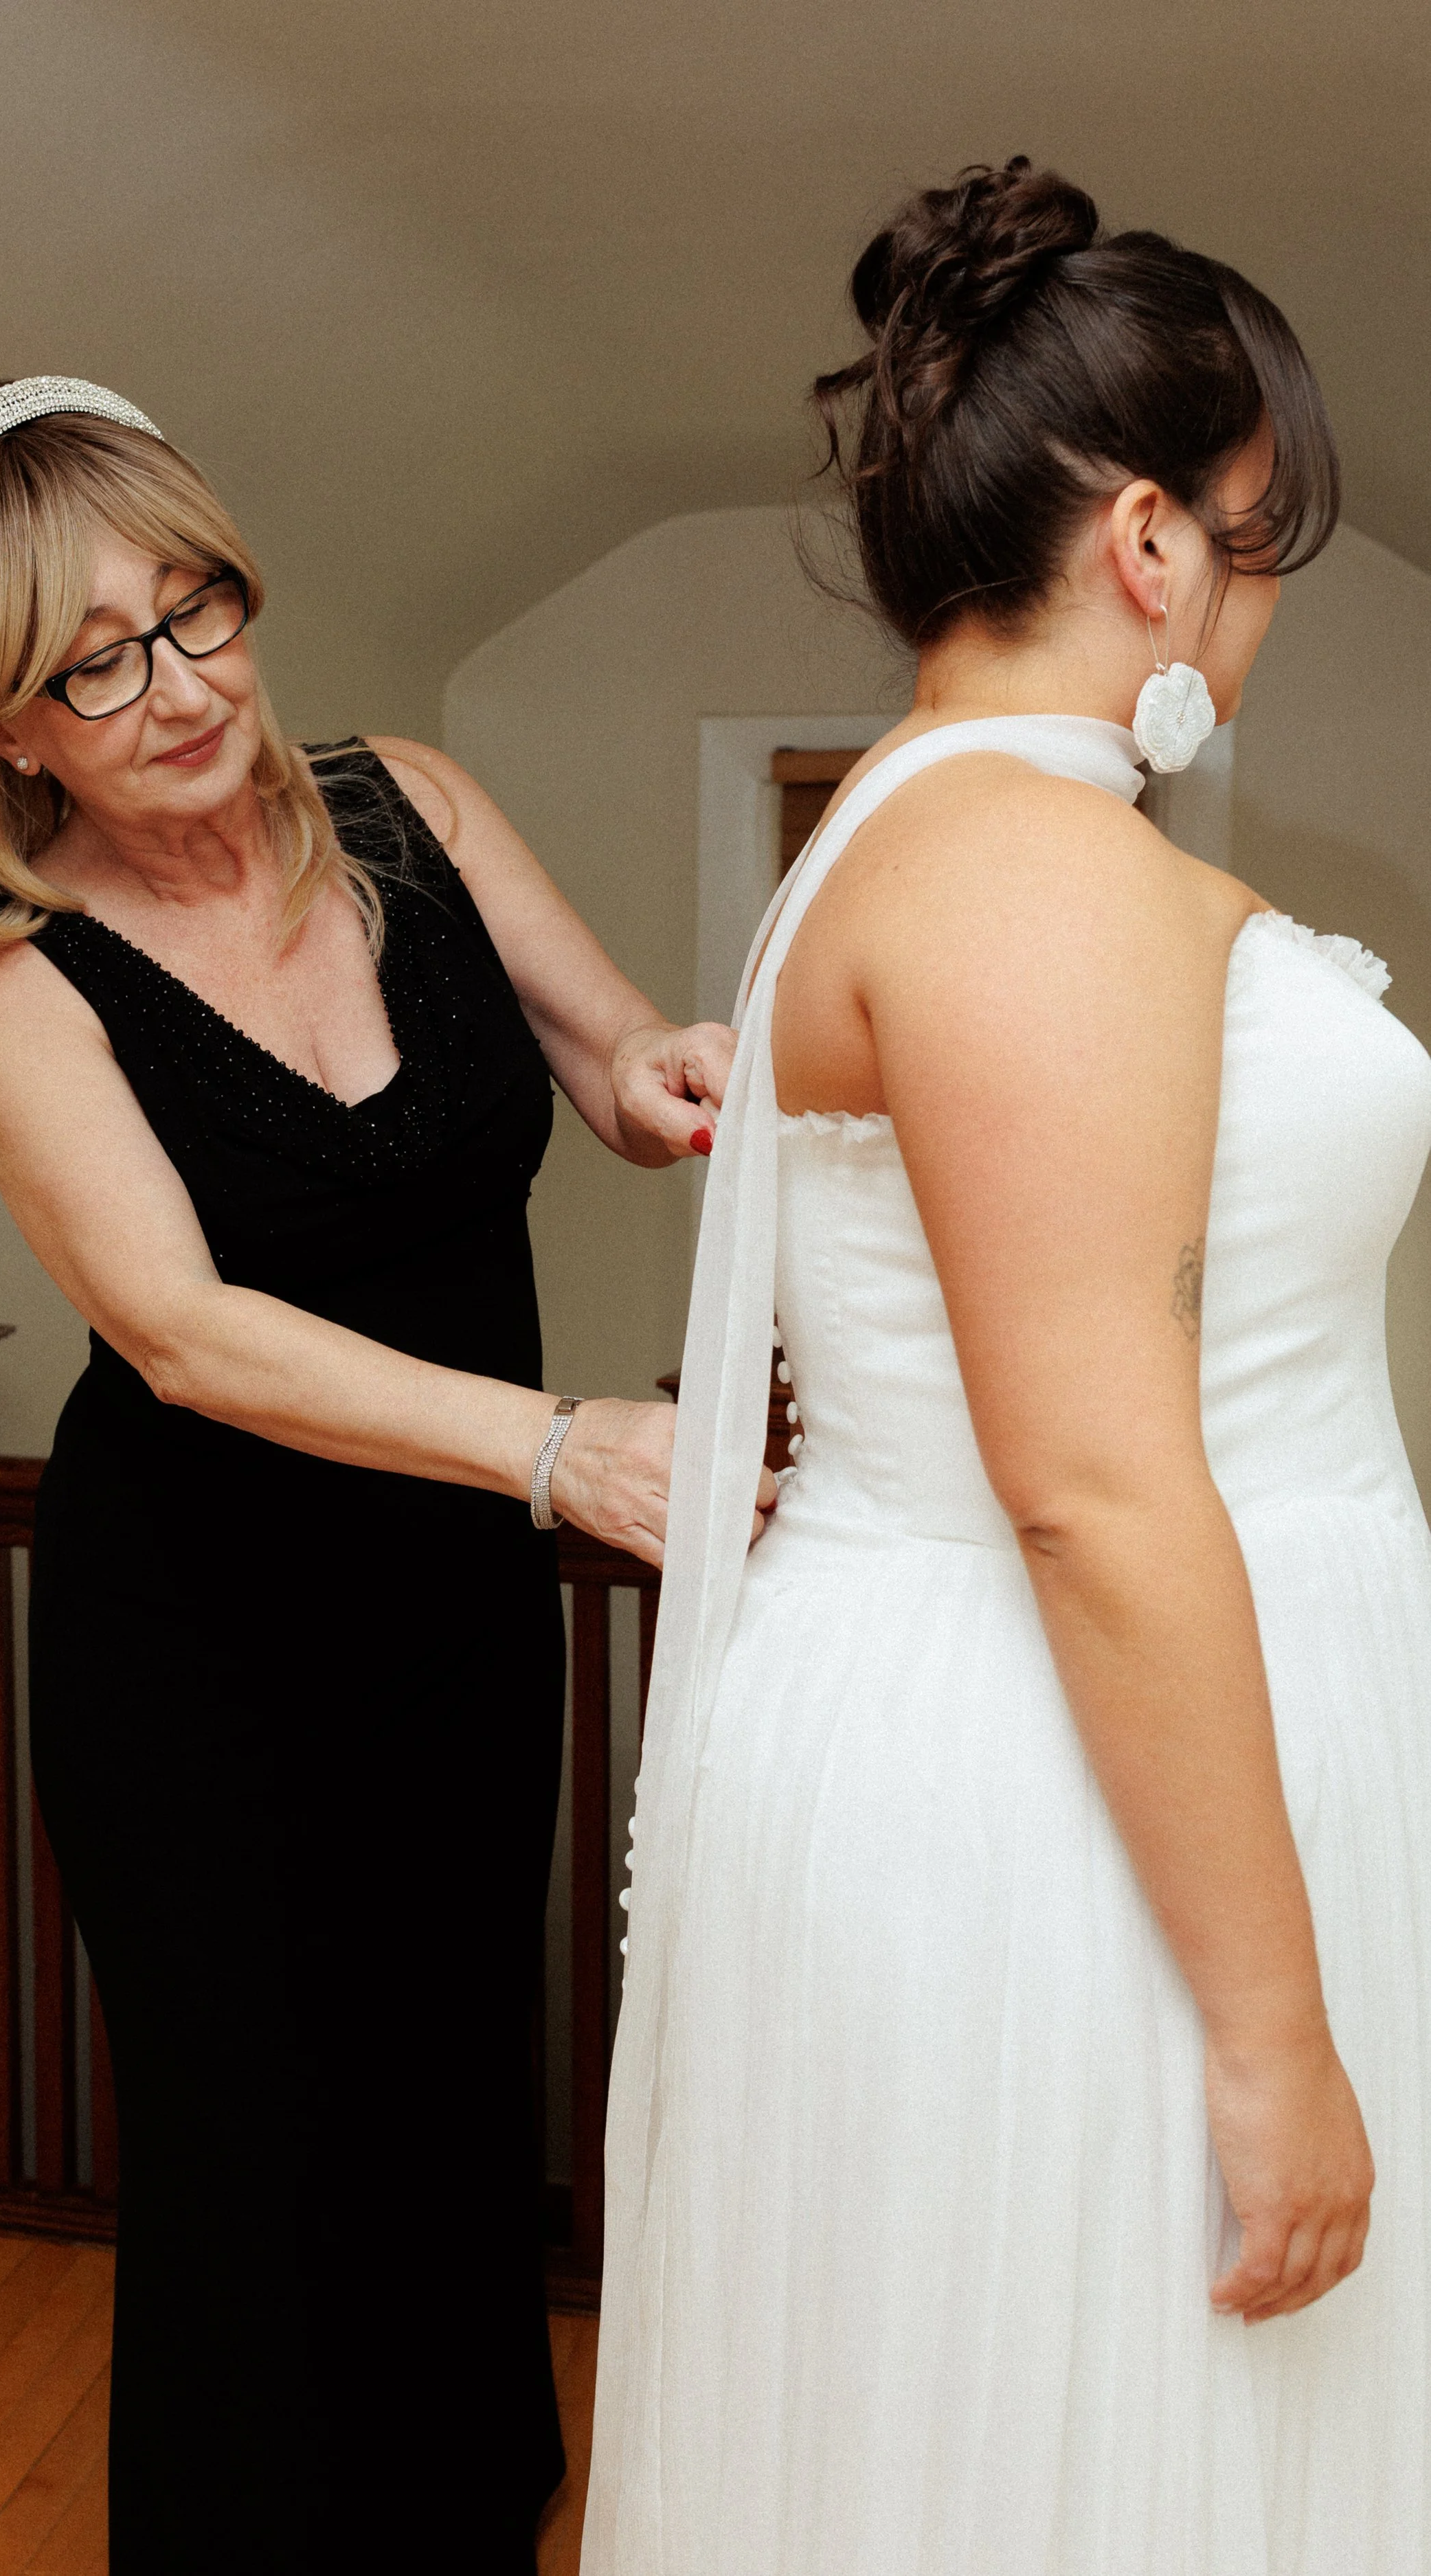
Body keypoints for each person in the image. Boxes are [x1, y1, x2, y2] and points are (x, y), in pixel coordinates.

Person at [586, 160, 1431, 2573]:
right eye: (1262, 541)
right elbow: (1084, 1480)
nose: (1254, 607)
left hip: (1054, 1725)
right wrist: (1269, 2040)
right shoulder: (1036, 869)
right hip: (1068, 1787)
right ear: (1154, 545)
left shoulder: (915, 826)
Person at [0, 376, 765, 2573]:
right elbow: (182, 1331)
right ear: (1, 725)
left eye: (199, 610)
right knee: (259, 2202)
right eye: (96, 659)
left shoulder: (409, 805)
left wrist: (691, 1065)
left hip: (450, 1632)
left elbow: (613, 1062)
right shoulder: (13, 977)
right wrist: (557, 1453)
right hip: (203, 1669)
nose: (182, 688)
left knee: (452, 2135)